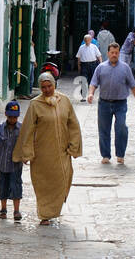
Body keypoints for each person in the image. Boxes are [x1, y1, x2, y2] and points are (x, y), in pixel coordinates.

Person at [13, 72, 83, 225]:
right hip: (42, 153)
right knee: (44, 184)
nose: (47, 89)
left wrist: (74, 145)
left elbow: (73, 124)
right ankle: (45, 214)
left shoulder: (64, 100)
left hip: (62, 151)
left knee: (63, 180)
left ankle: (55, 209)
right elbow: (28, 129)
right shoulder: (35, 104)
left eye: (49, 86)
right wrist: (26, 152)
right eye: (43, 87)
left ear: (54, 84)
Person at [88, 42, 135, 165]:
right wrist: (91, 94)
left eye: (116, 53)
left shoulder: (125, 68)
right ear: (108, 53)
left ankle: (120, 154)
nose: (114, 55)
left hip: (120, 103)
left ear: (119, 53)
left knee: (121, 128)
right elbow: (93, 83)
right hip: (104, 104)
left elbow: (133, 85)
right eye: (112, 52)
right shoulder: (101, 67)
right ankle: (106, 155)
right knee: (104, 130)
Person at [0, 100, 25, 220]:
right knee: (2, 186)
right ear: (6, 114)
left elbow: (25, 144)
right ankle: (3, 209)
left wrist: (25, 157)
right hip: (2, 164)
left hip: (16, 165)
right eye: (10, 116)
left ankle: (16, 211)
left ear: (18, 116)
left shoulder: (21, 129)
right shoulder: (0, 129)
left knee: (16, 186)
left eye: (15, 117)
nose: (12, 119)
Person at [75, 33, 102, 99]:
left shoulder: (94, 46)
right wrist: (78, 66)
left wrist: (101, 64)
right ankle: (83, 96)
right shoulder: (81, 47)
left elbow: (99, 56)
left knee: (92, 81)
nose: (87, 41)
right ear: (84, 40)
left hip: (93, 64)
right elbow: (78, 57)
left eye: (88, 40)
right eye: (86, 40)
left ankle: (90, 95)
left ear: (90, 40)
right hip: (84, 65)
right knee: (83, 80)